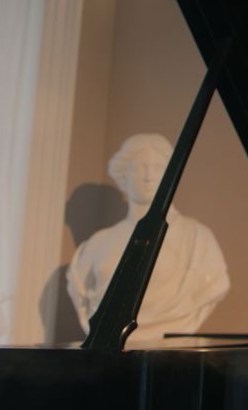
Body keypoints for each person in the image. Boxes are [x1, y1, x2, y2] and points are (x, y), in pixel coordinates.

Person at [67, 134, 229, 344]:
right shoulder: (97, 243)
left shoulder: (197, 239)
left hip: (172, 351)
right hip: (107, 351)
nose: (149, 176)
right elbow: (81, 292)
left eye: (158, 167)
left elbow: (214, 286)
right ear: (123, 174)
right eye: (139, 167)